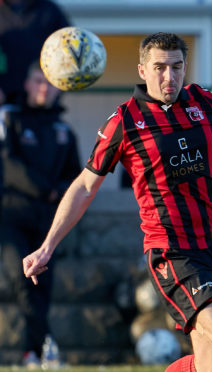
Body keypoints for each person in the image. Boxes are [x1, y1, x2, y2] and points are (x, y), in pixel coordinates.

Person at [22, 32, 212, 372]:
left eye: (177, 66)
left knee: (211, 362)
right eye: (160, 67)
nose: (170, 76)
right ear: (142, 70)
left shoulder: (205, 104)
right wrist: (47, 247)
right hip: (173, 253)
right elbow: (84, 187)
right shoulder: (124, 122)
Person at [0, 61, 80, 368]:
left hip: (48, 221)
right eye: (38, 81)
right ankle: (42, 344)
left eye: (50, 82)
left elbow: (76, 176)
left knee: (42, 285)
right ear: (28, 83)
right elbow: (9, 166)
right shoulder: (10, 117)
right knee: (23, 280)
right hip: (11, 216)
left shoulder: (64, 130)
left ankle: (31, 353)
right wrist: (44, 188)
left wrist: (56, 192)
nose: (44, 88)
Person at [0, 0, 69, 105]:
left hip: (42, 106)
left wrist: (54, 88)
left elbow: (69, 52)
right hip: (5, 102)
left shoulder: (49, 10)